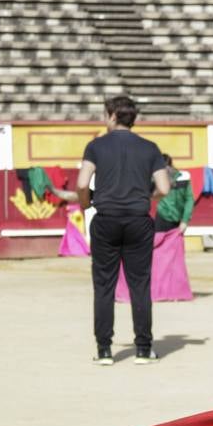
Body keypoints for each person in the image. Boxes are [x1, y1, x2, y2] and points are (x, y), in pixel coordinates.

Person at [77, 95, 170, 365]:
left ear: (113, 116)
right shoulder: (150, 148)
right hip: (138, 221)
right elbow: (163, 188)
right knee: (139, 285)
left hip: (106, 219)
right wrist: (142, 198)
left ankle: (104, 350)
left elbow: (83, 184)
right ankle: (143, 349)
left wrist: (86, 204)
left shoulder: (96, 146)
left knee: (104, 285)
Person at [153, 153, 194, 234]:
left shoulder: (156, 177)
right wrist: (184, 221)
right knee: (174, 245)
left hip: (163, 216)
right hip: (176, 217)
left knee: (160, 244)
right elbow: (189, 200)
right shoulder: (183, 177)